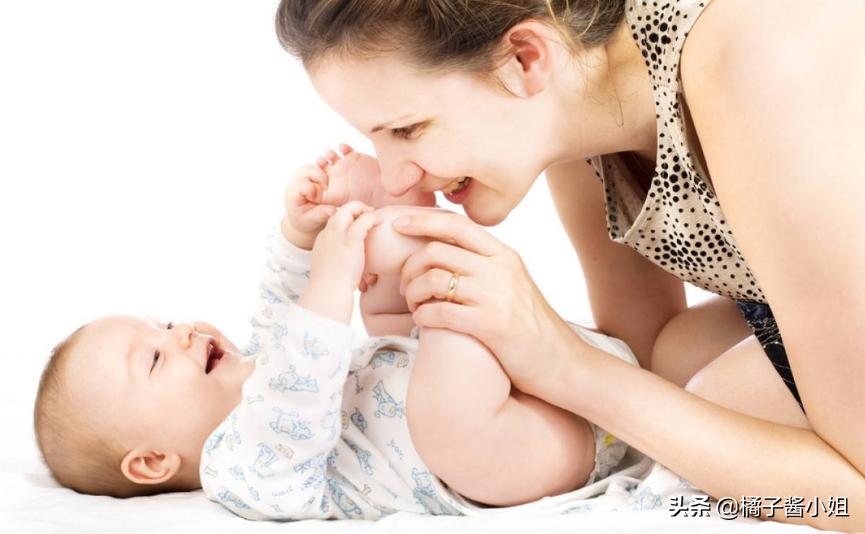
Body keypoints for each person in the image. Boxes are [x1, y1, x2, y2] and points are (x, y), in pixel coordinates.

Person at [275, 0, 865, 530]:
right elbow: (642, 364)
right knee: (679, 362)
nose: (397, 176)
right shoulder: (580, 119)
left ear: (525, 58)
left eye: (408, 128)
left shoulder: (756, 58)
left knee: (721, 399)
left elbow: (855, 501)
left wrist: (563, 360)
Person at [32, 148, 640, 519]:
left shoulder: (257, 363)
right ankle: (436, 269)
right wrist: (333, 275)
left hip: (508, 380)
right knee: (441, 407)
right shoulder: (238, 472)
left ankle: (396, 210)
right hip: (513, 453)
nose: (182, 332)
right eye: (155, 360)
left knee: (381, 285)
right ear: (152, 462)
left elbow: (283, 304)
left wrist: (304, 234)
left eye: (164, 325)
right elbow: (296, 397)